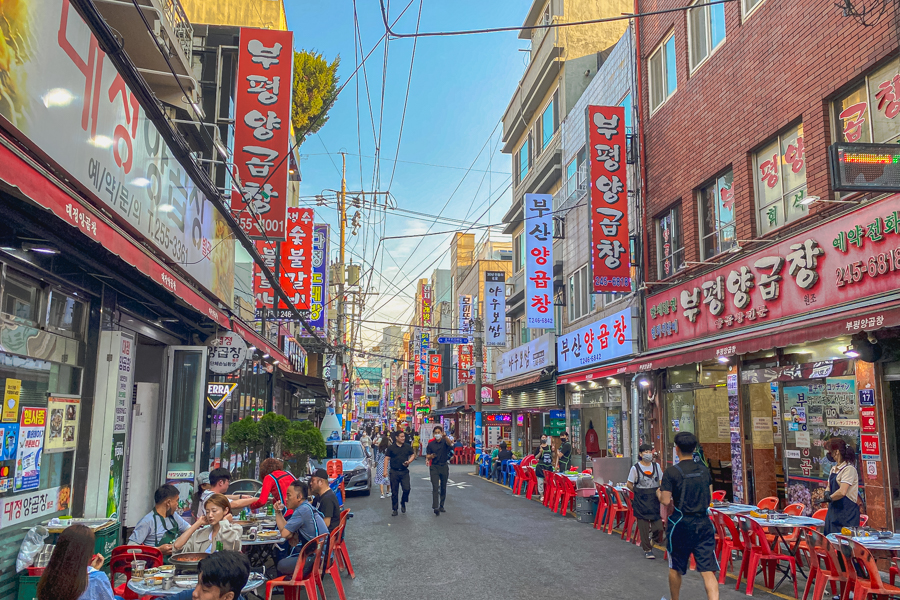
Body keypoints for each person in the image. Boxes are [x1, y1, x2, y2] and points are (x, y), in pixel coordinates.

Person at [659, 431, 719, 600]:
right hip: (703, 522)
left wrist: (658, 492)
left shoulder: (671, 472)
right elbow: (710, 496)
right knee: (707, 571)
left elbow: (665, 500)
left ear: (677, 449)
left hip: (680, 524)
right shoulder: (704, 470)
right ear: (694, 449)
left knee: (675, 567)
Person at [37, 524, 112, 600]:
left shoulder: (49, 577)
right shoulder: (97, 578)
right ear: (88, 552)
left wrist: (93, 569)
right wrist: (94, 571)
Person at [272, 480, 328, 577]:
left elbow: (285, 534)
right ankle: (289, 583)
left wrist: (278, 515)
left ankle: (289, 584)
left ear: (299, 497)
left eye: (289, 495)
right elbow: (287, 530)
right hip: (320, 553)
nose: (286, 499)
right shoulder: (305, 507)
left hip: (316, 558)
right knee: (290, 553)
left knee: (281, 565)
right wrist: (278, 512)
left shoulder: (302, 510)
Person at [627, 444, 665, 559]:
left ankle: (653, 541)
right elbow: (629, 484)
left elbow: (661, 481)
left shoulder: (656, 466)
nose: (648, 454)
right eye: (645, 452)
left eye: (649, 451)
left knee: (658, 528)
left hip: (654, 501)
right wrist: (638, 492)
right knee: (643, 527)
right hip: (641, 501)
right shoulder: (635, 468)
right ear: (640, 454)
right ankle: (647, 549)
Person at [128, 484, 190, 554]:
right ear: (168, 502)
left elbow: (189, 530)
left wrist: (200, 522)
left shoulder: (174, 516)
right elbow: (130, 549)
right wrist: (158, 550)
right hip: (155, 563)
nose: (177, 504)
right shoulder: (147, 521)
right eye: (176, 501)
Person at [173, 493, 242, 553]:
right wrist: (198, 523)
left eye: (214, 511)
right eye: (207, 512)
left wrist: (224, 522)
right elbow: (177, 546)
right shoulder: (201, 533)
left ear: (225, 510)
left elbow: (229, 545)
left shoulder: (235, 530)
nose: (210, 515)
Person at [168, 551, 250, 600]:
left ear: (227, 597)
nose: (195, 593)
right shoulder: (192, 595)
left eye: (204, 590)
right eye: (198, 583)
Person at [822, 437, 860, 534]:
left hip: (847, 516)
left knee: (844, 546)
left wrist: (829, 498)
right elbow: (829, 486)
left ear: (837, 452)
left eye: (830, 451)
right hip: (833, 513)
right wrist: (826, 492)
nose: (829, 454)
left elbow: (842, 491)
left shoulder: (849, 469)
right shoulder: (834, 469)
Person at [385, 430, 415, 516]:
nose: (403, 438)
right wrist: (385, 471)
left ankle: (403, 501)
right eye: (401, 437)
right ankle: (395, 509)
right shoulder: (391, 448)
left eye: (404, 437)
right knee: (394, 491)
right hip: (394, 471)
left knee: (407, 488)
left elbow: (413, 455)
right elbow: (387, 458)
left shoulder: (407, 446)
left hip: (404, 471)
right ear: (396, 437)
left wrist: (409, 461)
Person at [425, 425, 453, 516]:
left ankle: (442, 505)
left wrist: (445, 436)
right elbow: (427, 456)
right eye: (435, 433)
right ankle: (435, 506)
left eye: (438, 433)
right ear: (433, 434)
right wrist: (431, 456)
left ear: (441, 433)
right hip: (434, 467)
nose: (437, 434)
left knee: (443, 486)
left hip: (444, 466)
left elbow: (450, 444)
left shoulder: (445, 442)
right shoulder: (431, 444)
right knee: (435, 486)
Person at [373, 433, 391, 499]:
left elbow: (377, 458)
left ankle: (382, 493)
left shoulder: (379, 449)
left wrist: (375, 464)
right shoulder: (389, 449)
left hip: (380, 465)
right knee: (388, 478)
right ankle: (388, 492)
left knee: (381, 479)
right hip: (388, 465)